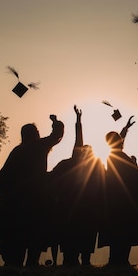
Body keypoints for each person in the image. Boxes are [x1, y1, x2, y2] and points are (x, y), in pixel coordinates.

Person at [0, 115, 64, 266]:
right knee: (35, 231)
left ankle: (14, 261)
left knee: (18, 233)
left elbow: (6, 172)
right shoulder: (40, 146)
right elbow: (57, 135)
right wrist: (55, 122)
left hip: (18, 198)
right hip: (37, 196)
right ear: (36, 134)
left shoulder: (18, 151)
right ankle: (32, 261)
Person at [50, 106, 105, 266]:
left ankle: (76, 259)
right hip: (80, 207)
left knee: (75, 237)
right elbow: (78, 139)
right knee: (80, 237)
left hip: (75, 207)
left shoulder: (87, 166)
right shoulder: (82, 164)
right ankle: (79, 260)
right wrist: (78, 120)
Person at [99, 131, 138, 266]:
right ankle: (120, 259)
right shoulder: (118, 156)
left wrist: (126, 129)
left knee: (118, 230)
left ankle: (116, 259)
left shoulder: (113, 155)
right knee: (123, 230)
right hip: (123, 198)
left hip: (116, 198)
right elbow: (133, 174)